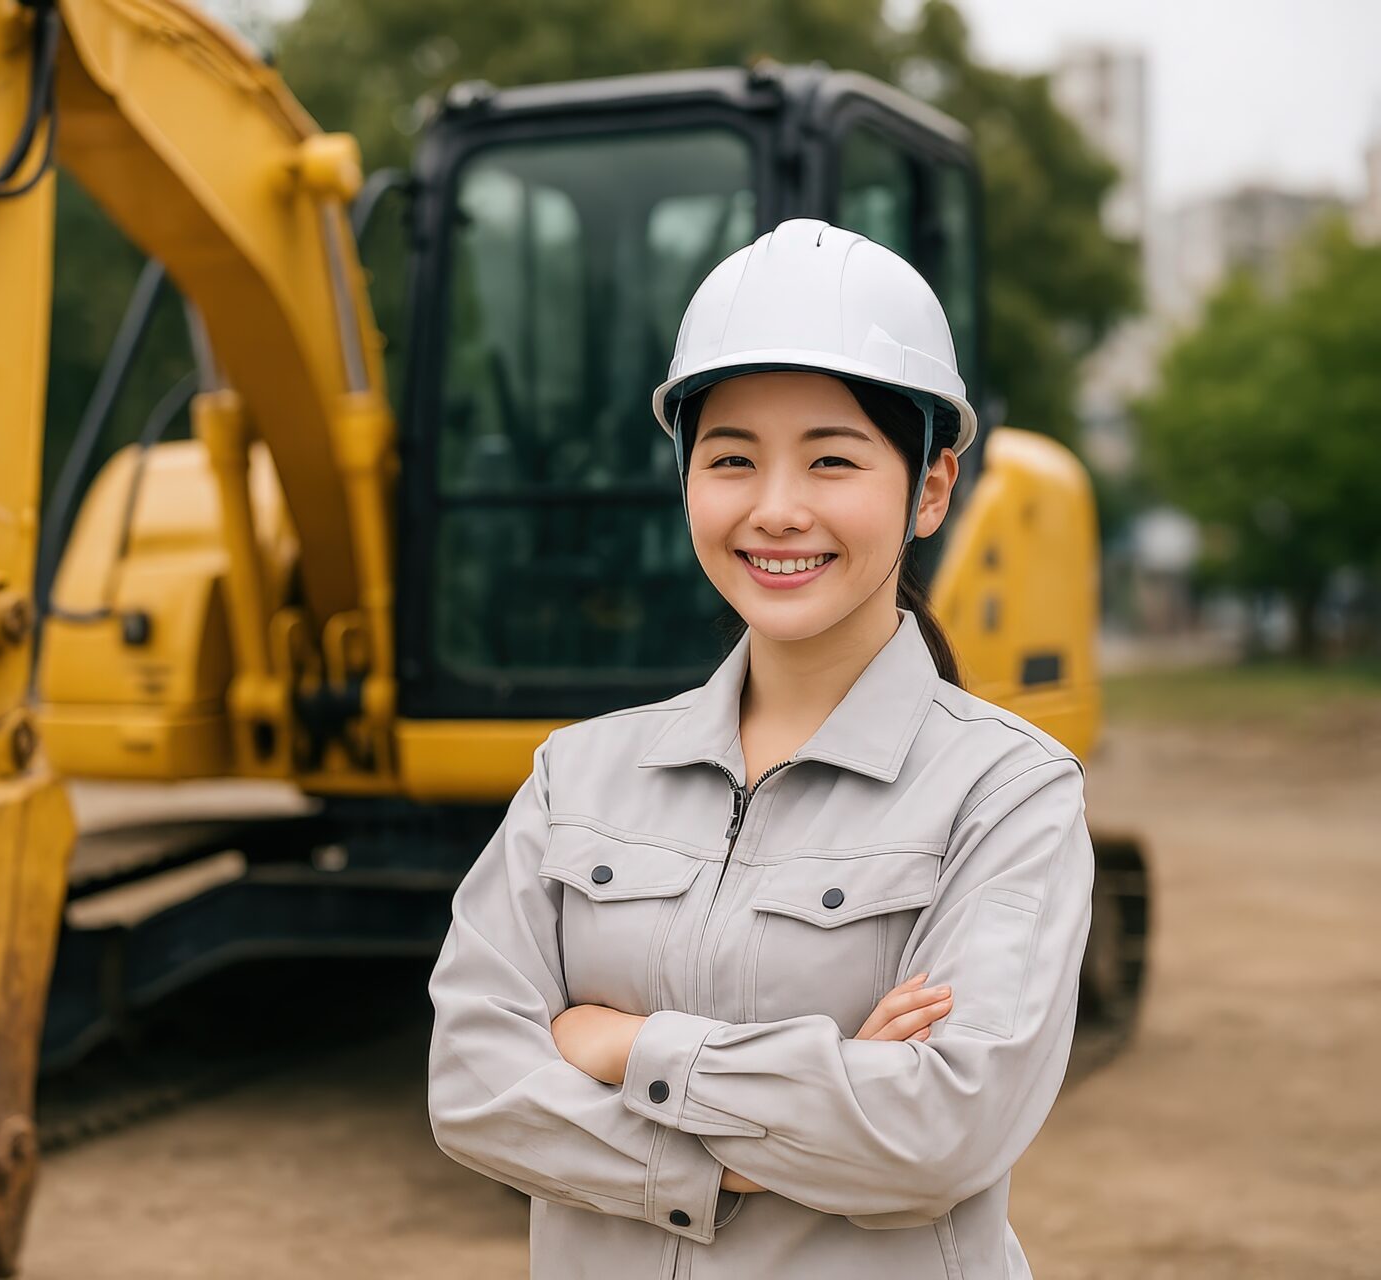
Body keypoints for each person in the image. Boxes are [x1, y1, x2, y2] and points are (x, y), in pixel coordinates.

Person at [425, 217, 1094, 1279]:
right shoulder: (576, 775)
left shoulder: (1007, 790)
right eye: (731, 458)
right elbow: (470, 1084)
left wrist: (618, 1045)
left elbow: (941, 1131)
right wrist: (769, 1138)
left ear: (929, 488)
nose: (777, 509)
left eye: (832, 459)